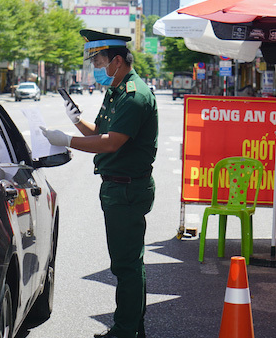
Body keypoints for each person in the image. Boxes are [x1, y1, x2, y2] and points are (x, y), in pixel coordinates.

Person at [41, 29, 158, 338]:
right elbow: (99, 131)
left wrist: (66, 140)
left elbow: (110, 143)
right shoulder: (117, 90)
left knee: (126, 265)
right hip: (118, 186)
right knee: (130, 262)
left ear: (117, 61)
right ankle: (134, 327)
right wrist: (76, 121)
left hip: (127, 188)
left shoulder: (134, 95)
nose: (96, 69)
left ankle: (124, 331)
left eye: (99, 62)